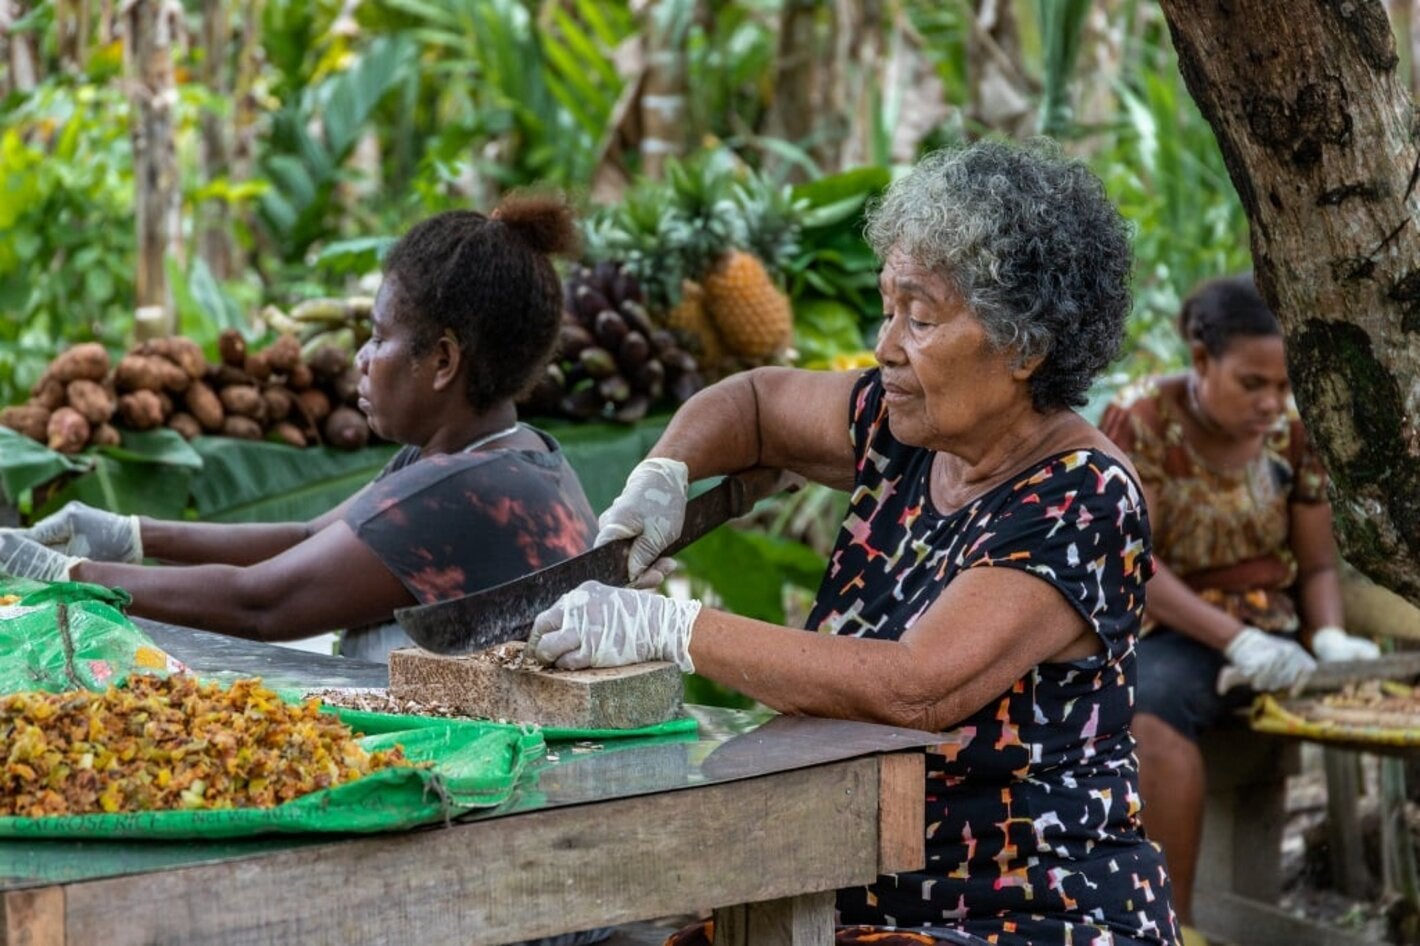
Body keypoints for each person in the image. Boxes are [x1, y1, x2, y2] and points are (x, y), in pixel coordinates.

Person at [525, 141, 1180, 946]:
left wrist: (670, 629)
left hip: (1019, 910)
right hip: (840, 884)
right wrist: (665, 473)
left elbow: (917, 688)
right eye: (888, 308)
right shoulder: (909, 426)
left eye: (923, 318)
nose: (886, 345)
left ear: (1024, 347)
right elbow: (758, 404)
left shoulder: (1081, 498)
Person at [0, 196, 600, 664]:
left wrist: (64, 575)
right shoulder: (505, 453)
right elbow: (313, 533)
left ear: (443, 361)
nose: (362, 358)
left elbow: (260, 603)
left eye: (378, 336)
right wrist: (131, 534)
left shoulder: (468, 492)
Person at [1097, 273, 1379, 927]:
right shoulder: (1146, 422)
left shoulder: (1292, 436)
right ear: (1201, 361)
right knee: (1145, 709)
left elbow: (1313, 566)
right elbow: (1136, 565)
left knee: (1154, 706)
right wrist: (1233, 641)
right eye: (1253, 384)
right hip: (1170, 629)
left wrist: (1328, 635)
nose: (1272, 403)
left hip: (1270, 634)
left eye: (1283, 386)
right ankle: (1170, 924)